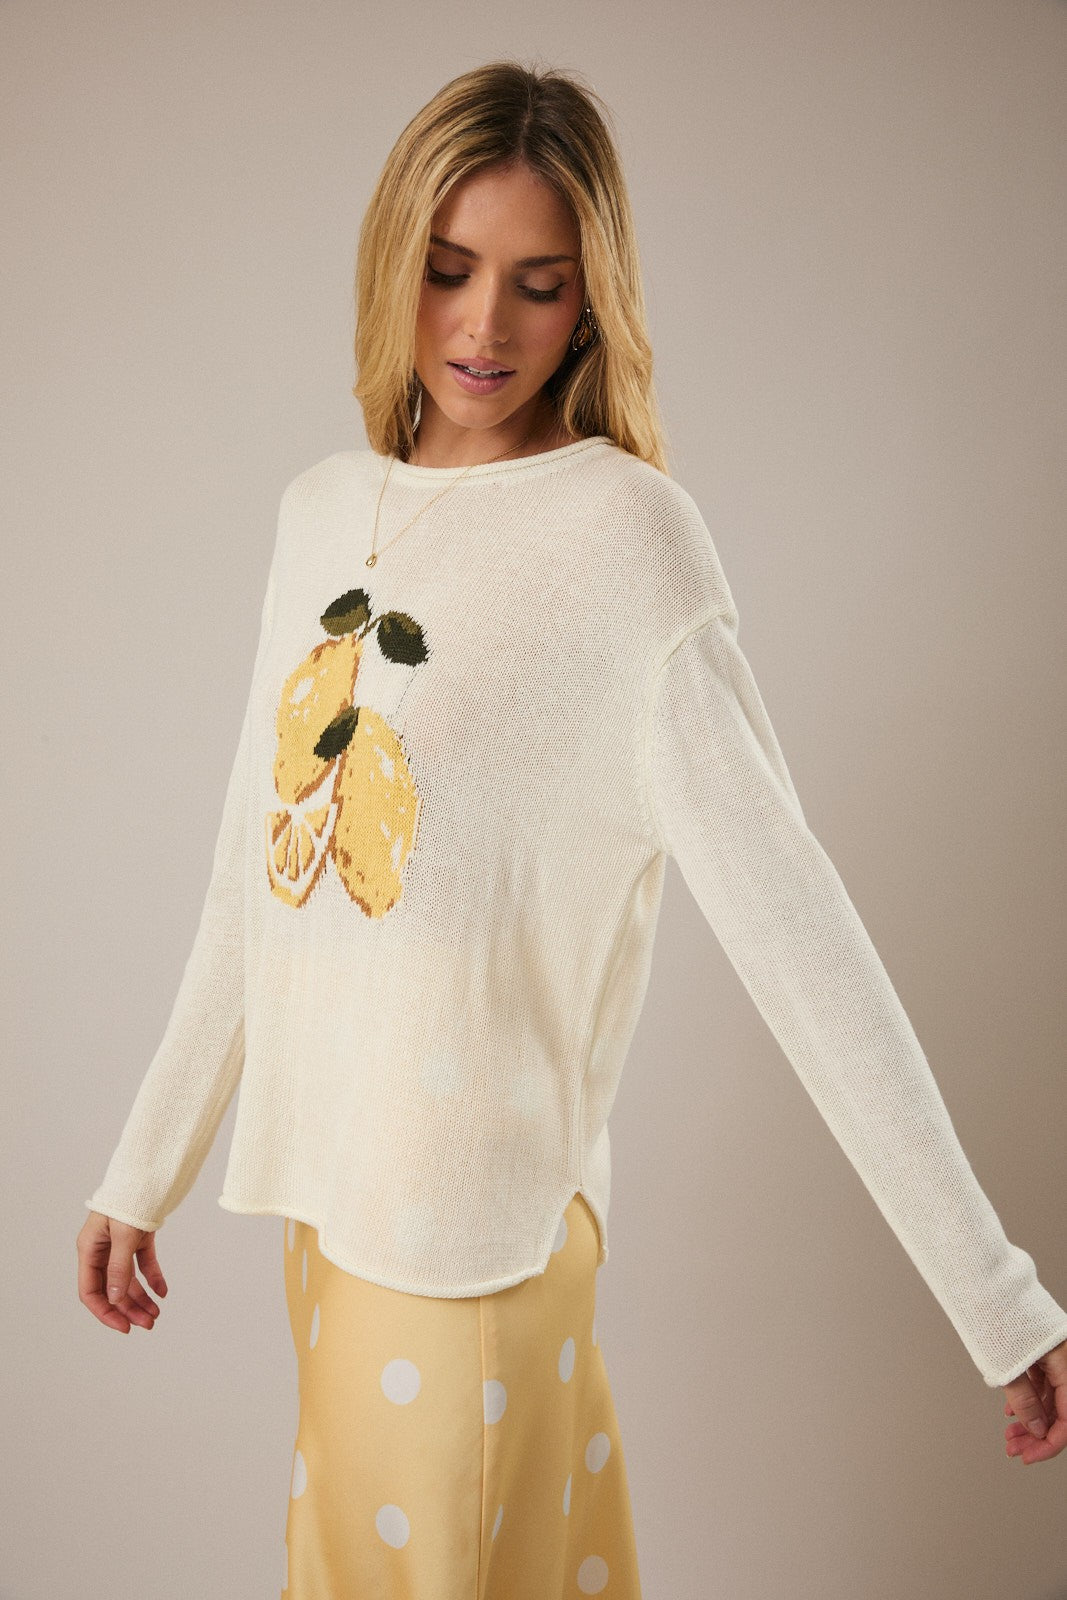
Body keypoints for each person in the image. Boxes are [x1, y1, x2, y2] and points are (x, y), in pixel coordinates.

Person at [77, 57, 1067, 1598]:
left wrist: (996, 1298)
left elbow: (799, 931)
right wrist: (143, 1166)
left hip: (474, 1248)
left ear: (592, 299)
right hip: (330, 1225)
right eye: (450, 269)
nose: (485, 325)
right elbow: (250, 883)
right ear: (392, 259)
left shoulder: (625, 542)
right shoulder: (319, 511)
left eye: (538, 284)